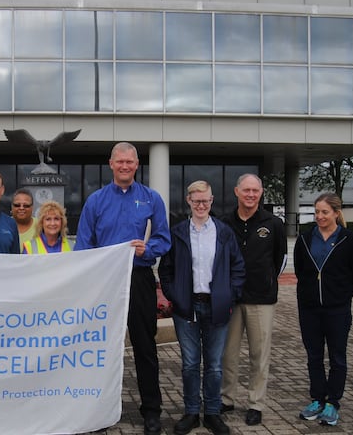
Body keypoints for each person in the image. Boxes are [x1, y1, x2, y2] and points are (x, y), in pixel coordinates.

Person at [74, 142, 171, 435]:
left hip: (138, 279)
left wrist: (148, 248)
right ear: (111, 164)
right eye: (120, 162)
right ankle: (95, 411)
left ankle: (151, 410)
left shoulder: (151, 198)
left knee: (145, 346)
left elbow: (164, 239)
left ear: (137, 165)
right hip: (105, 283)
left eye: (130, 162)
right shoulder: (96, 200)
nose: (125, 166)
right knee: (100, 348)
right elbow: (83, 245)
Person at [159, 181, 245, 435]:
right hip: (187, 307)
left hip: (217, 306)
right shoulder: (178, 233)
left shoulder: (224, 232)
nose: (200, 205)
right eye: (196, 200)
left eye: (205, 200)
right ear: (188, 200)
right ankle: (191, 412)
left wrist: (229, 295)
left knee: (214, 365)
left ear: (212, 200)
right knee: (189, 364)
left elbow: (238, 267)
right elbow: (166, 270)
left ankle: (213, 414)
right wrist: (175, 296)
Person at [220, 173, 286, 426]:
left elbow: (280, 259)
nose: (250, 194)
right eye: (246, 190)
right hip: (231, 298)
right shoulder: (224, 223)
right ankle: (227, 399)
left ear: (261, 193)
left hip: (262, 299)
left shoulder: (273, 223)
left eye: (255, 191)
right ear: (237, 191)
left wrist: (268, 281)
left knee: (259, 354)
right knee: (228, 353)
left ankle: (256, 403)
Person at [293, 193, 353, 426]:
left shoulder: (349, 239)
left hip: (337, 310)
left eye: (325, 212)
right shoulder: (305, 239)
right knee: (314, 356)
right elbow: (301, 271)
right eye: (317, 212)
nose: (320, 216)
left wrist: (340, 296)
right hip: (310, 310)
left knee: (337, 357)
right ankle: (317, 399)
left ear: (336, 212)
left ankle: (333, 402)